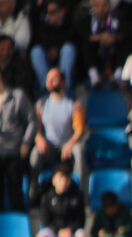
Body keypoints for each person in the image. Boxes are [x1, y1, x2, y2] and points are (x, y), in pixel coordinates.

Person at [29, 68, 83, 204]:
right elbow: (36, 128)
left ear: (63, 82)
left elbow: (79, 130)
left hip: (67, 147)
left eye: (54, 78)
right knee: (35, 154)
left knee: (79, 150)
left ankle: (80, 193)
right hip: (50, 148)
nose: (50, 82)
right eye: (48, 79)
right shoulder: (41, 104)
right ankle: (34, 193)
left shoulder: (73, 104)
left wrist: (70, 143)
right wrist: (39, 138)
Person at [0, 67, 36, 211]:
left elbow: (33, 120)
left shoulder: (17, 96)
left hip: (14, 151)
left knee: (16, 191)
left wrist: (26, 142)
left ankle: (19, 220)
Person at [77, 0, 129, 88]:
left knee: (124, 45)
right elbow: (84, 35)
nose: (101, 9)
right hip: (96, 54)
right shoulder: (86, 17)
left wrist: (113, 38)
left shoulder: (117, 16)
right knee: (86, 45)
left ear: (109, 5)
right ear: (93, 6)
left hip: (113, 53)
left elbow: (123, 33)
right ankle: (94, 77)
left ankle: (117, 76)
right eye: (98, 6)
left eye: (104, 5)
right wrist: (100, 37)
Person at [34, 162, 84, 237]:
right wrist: (59, 231)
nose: (64, 182)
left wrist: (70, 230)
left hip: (72, 232)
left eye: (67, 179)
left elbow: (80, 219)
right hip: (54, 231)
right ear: (54, 180)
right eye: (60, 178)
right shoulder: (47, 197)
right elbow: (45, 220)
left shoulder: (77, 196)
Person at [28, 0, 74, 96]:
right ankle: (47, 89)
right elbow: (36, 43)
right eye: (48, 12)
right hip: (47, 68)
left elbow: (72, 43)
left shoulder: (70, 26)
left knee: (68, 49)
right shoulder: (43, 27)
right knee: (36, 51)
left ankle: (63, 88)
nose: (49, 15)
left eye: (52, 12)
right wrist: (48, 52)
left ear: (62, 12)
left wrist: (57, 50)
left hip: (63, 69)